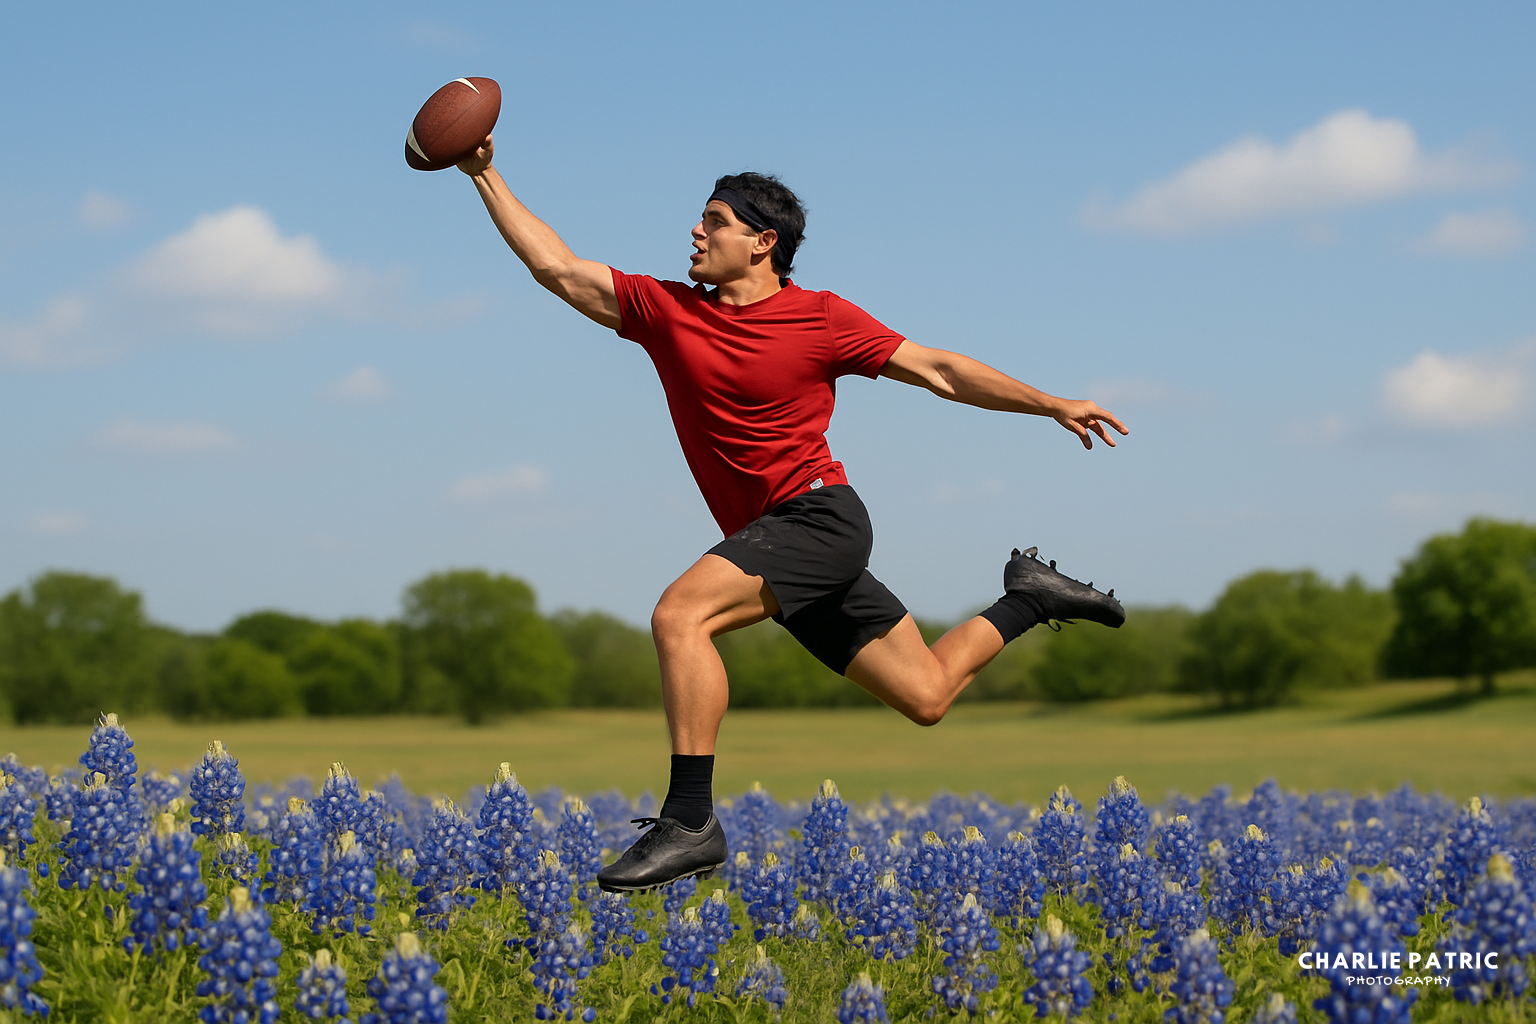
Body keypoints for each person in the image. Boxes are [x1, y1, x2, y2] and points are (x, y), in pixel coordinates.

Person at [453, 139, 1129, 892]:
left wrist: (1052, 403)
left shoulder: (821, 318)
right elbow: (558, 268)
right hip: (775, 545)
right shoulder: (668, 311)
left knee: (681, 617)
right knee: (928, 694)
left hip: (817, 520)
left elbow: (939, 368)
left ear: (762, 241)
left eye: (714, 222)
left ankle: (689, 821)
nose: (696, 234)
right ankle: (1031, 595)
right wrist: (483, 173)